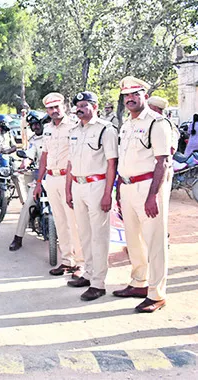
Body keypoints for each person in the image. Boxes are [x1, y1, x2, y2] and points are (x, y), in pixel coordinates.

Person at [113, 76, 173, 313]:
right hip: (128, 188)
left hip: (148, 187)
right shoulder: (126, 124)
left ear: (144, 96)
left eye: (135, 94)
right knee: (133, 239)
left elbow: (163, 162)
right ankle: (139, 282)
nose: (130, 99)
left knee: (154, 242)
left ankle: (157, 294)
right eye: (126, 95)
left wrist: (152, 196)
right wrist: (119, 189)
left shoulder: (157, 123)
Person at [64, 92, 118, 301]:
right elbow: (70, 163)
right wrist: (68, 189)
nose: (80, 109)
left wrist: (108, 193)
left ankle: (98, 283)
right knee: (84, 234)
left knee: (99, 235)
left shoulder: (106, 129)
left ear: (95, 107)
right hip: (78, 184)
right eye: (78, 105)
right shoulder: (74, 130)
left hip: (97, 185)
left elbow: (112, 163)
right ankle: (88, 273)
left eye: (85, 105)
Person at [34, 93, 84, 277]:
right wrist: (39, 182)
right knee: (60, 222)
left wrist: (72, 182)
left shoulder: (74, 126)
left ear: (64, 106)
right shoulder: (47, 129)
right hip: (51, 178)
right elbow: (44, 156)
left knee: (74, 223)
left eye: (57, 107)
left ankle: (81, 263)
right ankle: (67, 260)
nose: (54, 111)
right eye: (50, 108)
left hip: (68, 178)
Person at [9, 111, 47, 251]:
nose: (36, 127)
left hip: (58, 175)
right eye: (33, 125)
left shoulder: (53, 135)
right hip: (40, 176)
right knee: (28, 204)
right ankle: (18, 238)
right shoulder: (33, 141)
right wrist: (24, 162)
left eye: (38, 124)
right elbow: (29, 155)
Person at [0, 114, 25, 205]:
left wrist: (8, 151)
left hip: (7, 158)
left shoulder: (8, 134)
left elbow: (14, 146)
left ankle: (24, 201)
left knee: (16, 175)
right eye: (5, 123)